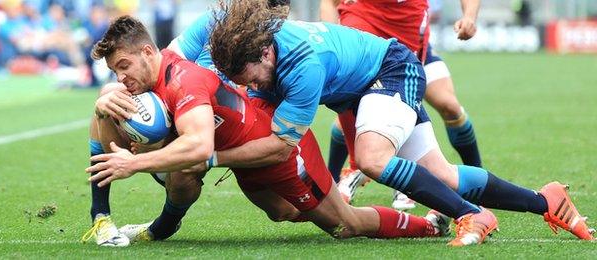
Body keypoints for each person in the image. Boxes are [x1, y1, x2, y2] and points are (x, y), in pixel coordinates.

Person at [208, 0, 595, 243]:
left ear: (264, 52)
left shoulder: (301, 65)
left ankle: (472, 215)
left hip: (391, 72)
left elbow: (281, 143)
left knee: (372, 159)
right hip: (363, 89)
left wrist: (210, 157)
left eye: (253, 77)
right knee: (442, 177)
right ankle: (546, 200)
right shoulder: (265, 50)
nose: (253, 87)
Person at [84, 15, 453, 246]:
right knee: (283, 213)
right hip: (241, 149)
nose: (122, 78)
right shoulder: (170, 60)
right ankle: (105, 219)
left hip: (276, 152)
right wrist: (106, 94)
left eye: (124, 67)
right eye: (116, 71)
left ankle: (428, 227)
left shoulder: (185, 80)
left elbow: (198, 148)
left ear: (148, 53)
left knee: (345, 225)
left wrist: (133, 165)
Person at [320, 0, 483, 210]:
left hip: (409, 38)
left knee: (448, 105)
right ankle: (342, 177)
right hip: (368, 26)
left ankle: (476, 182)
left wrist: (469, 16)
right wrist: (333, 38)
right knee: (358, 102)